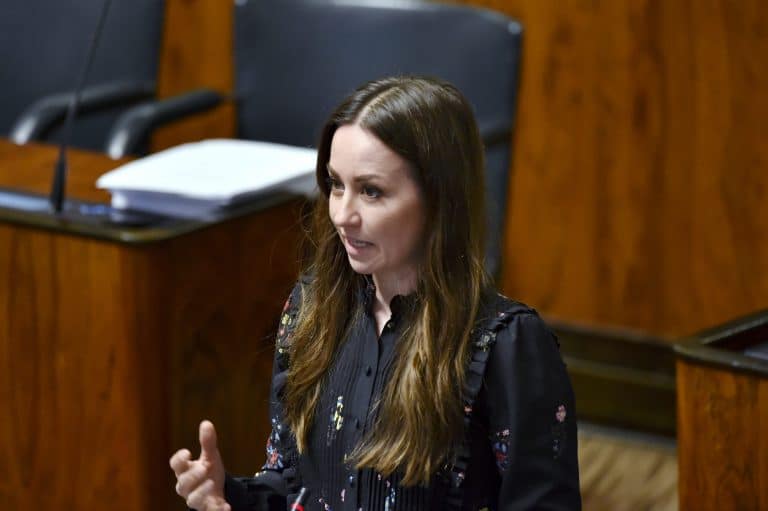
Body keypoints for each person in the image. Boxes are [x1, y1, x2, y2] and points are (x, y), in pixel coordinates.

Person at [170, 76, 581, 510]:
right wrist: (228, 495)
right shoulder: (311, 308)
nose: (342, 215)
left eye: (371, 191)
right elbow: (293, 486)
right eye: (336, 184)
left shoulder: (506, 346)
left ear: (439, 200)